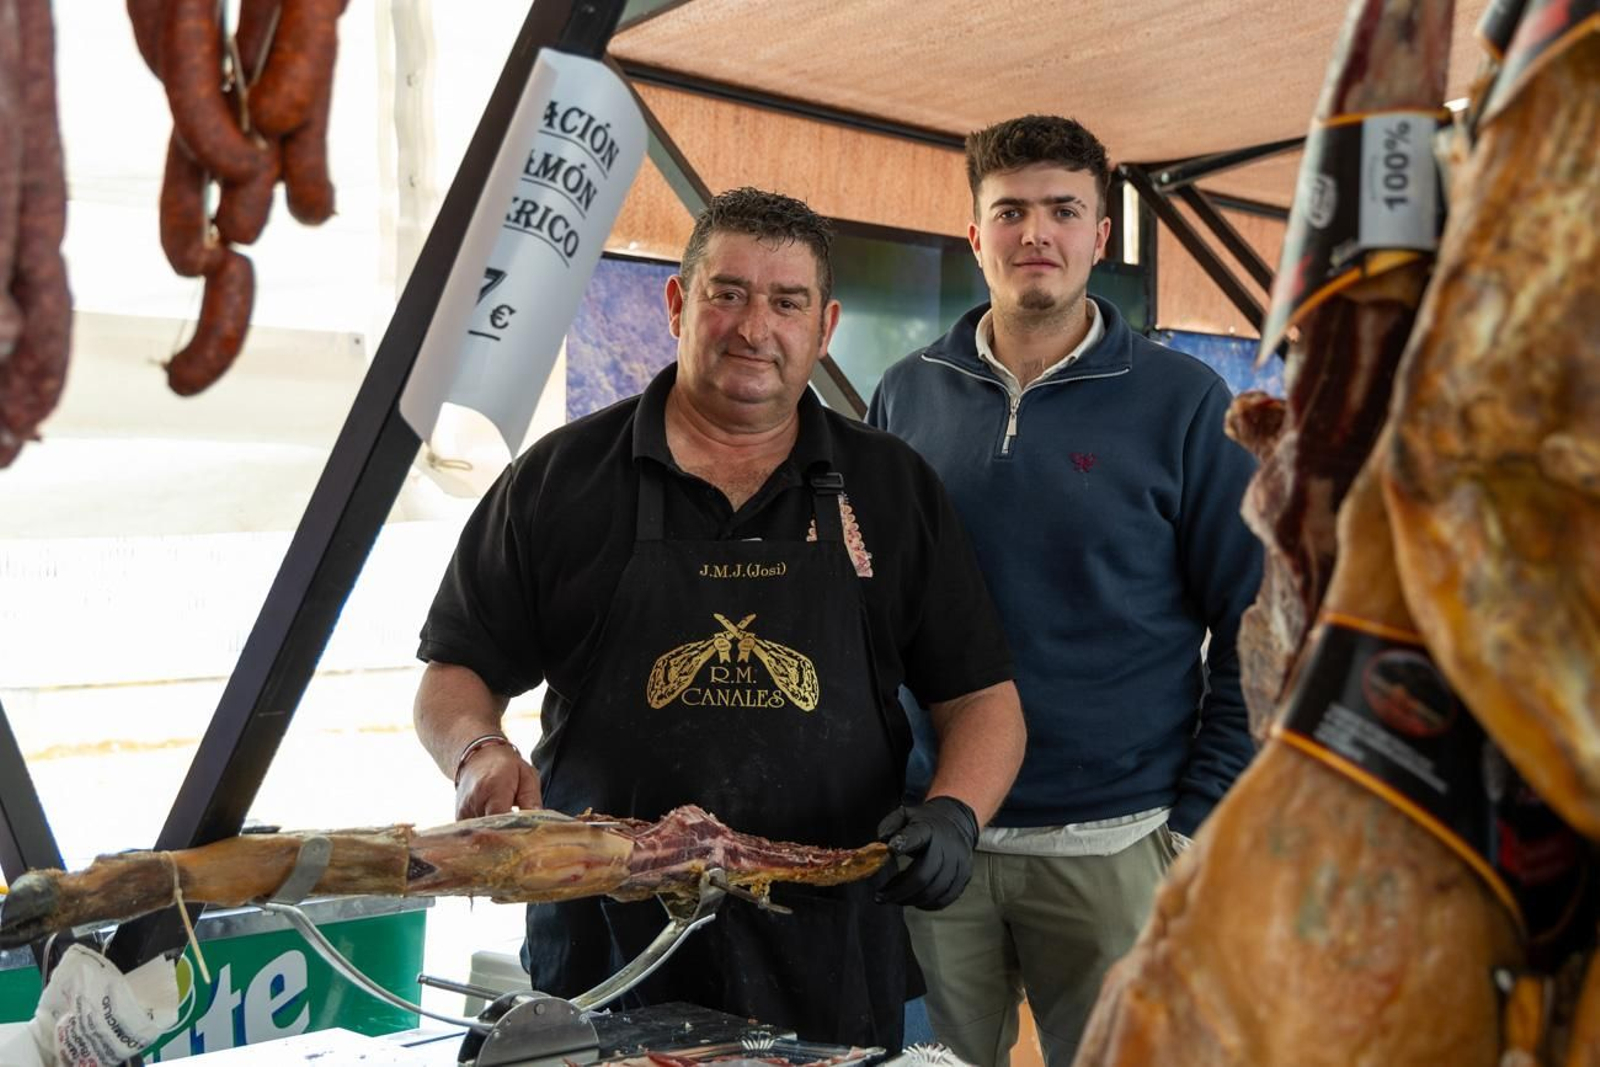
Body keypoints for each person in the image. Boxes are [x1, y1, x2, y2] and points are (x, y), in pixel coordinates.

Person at [413, 187, 1026, 1051]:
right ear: (676, 303)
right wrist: (477, 750)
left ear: (826, 325)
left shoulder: (889, 488)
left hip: (831, 948)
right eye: (726, 293)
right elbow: (454, 671)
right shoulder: (561, 478)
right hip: (605, 950)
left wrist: (957, 812)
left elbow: (983, 698)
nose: (753, 327)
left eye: (787, 302)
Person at [868, 116, 1262, 1066]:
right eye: (1009, 211)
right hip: (939, 839)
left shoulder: (1184, 402)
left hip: (1120, 844)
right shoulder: (902, 396)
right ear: (975, 235)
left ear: (1102, 235)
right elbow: (872, 614)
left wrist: (1193, 825)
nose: (1034, 232)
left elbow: (1254, 622)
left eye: (1062, 210)